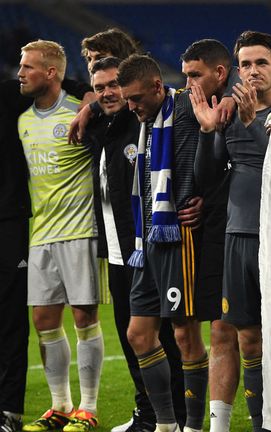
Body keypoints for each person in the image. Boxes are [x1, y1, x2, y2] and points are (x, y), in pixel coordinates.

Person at [189, 31, 271, 432]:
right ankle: (259, 423)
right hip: (239, 236)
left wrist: (251, 127)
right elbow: (205, 178)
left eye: (260, 63)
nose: (252, 71)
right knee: (247, 340)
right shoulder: (226, 115)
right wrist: (209, 130)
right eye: (244, 64)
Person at [79, 29, 189, 432]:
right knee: (134, 339)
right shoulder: (101, 127)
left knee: (163, 337)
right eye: (98, 88)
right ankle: (149, 414)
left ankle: (174, 416)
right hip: (117, 251)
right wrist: (86, 108)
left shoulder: (143, 120)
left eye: (113, 87)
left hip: (148, 249)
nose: (107, 94)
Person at [0, 62, 92, 432]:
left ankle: (8, 411)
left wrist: (89, 101)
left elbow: (56, 81)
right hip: (21, 222)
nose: (23, 73)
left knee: (10, 322)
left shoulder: (8, 96)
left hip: (10, 222)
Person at [17, 40, 104, 432]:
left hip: (79, 229)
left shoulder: (80, 113)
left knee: (85, 317)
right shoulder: (21, 121)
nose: (20, 73)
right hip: (41, 234)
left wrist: (91, 103)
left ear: (51, 72)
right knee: (43, 320)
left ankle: (88, 407)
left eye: (28, 67)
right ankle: (60, 407)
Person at [117, 54, 206, 432]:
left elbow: (222, 144)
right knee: (138, 334)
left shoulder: (185, 107)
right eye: (127, 99)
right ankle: (166, 425)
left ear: (157, 87)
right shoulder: (145, 120)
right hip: (147, 241)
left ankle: (194, 426)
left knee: (185, 334)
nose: (131, 106)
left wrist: (210, 199)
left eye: (137, 98)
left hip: (178, 238)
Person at [179, 38, 241, 432]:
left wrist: (235, 100)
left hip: (250, 232)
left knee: (246, 333)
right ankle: (207, 426)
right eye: (185, 76)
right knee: (214, 329)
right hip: (212, 231)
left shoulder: (251, 106)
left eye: (195, 75)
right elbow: (206, 174)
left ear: (220, 73)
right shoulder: (188, 108)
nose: (188, 84)